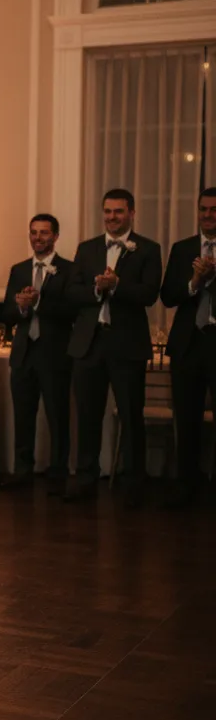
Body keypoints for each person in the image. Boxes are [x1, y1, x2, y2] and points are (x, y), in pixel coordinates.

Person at [66, 189, 161, 507]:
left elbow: (149, 294)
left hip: (127, 344)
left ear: (131, 213)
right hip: (89, 344)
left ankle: (134, 483)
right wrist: (97, 290)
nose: (112, 217)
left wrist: (117, 285)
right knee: (87, 416)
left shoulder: (148, 249)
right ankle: (85, 478)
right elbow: (72, 291)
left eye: (118, 211)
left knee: (131, 416)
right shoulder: (87, 248)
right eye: (107, 211)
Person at [0, 214, 75, 493]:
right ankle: (22, 471)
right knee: (23, 415)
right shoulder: (19, 269)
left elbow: (71, 311)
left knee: (57, 416)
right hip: (23, 353)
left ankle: (57, 474)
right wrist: (21, 306)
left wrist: (39, 301)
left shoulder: (69, 269)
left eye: (44, 233)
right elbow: (7, 313)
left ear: (55, 236)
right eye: (34, 232)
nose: (38, 238)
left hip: (54, 354)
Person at [161, 188, 216, 509]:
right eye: (203, 209)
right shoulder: (183, 249)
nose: (208, 215)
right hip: (188, 345)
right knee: (187, 419)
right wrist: (194, 282)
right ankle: (186, 485)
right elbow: (168, 296)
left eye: (214, 210)